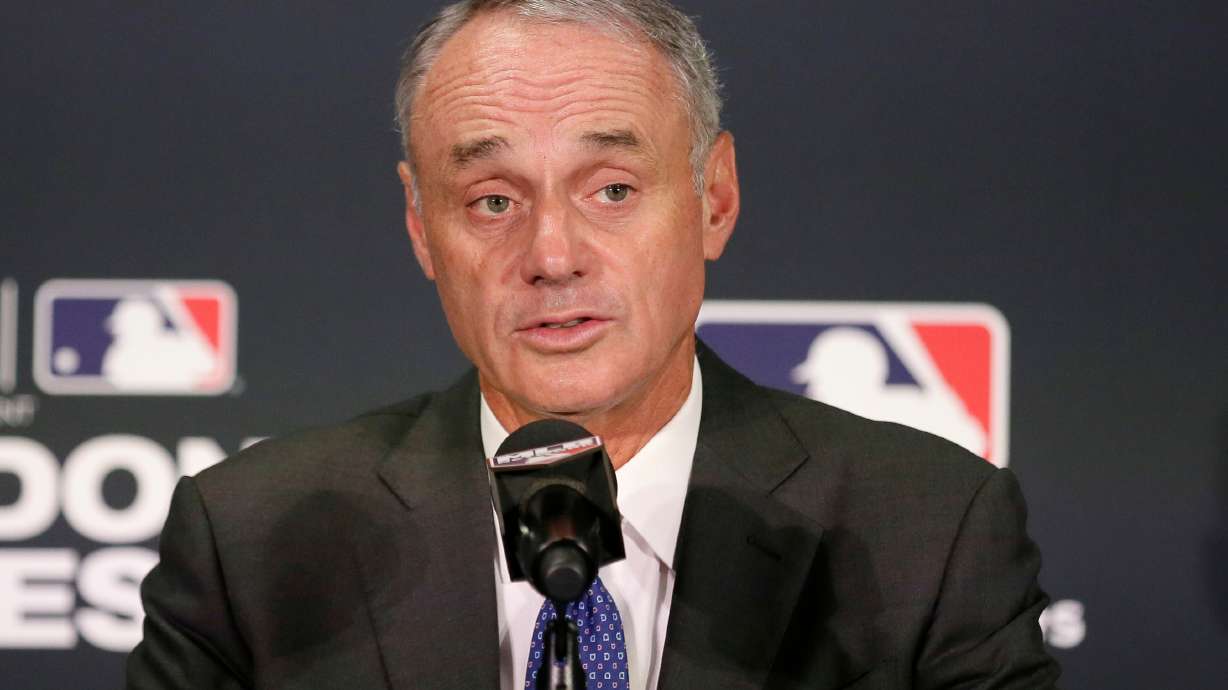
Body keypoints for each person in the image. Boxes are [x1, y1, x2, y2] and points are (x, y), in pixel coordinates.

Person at [126, 1, 1061, 688]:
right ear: (420, 228)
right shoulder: (252, 543)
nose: (551, 255)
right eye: (493, 200)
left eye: (611, 189)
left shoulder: (927, 536)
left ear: (714, 198)